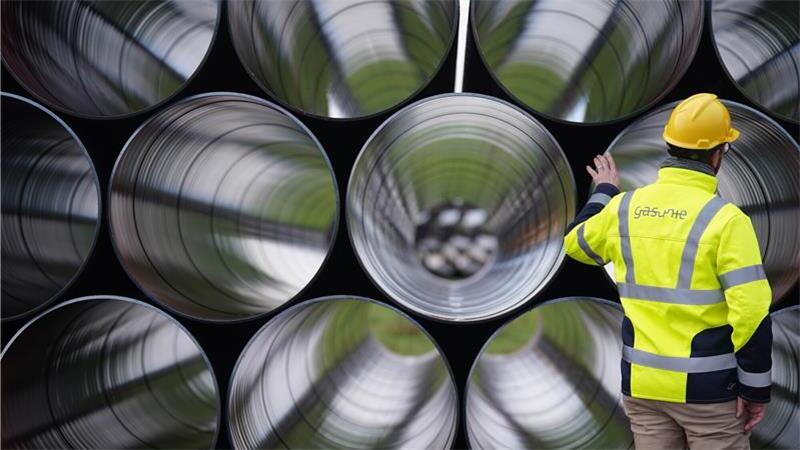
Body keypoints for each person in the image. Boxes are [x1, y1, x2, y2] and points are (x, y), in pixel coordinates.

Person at [564, 93, 772, 449]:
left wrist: (604, 193)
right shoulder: (726, 221)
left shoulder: (624, 208)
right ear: (718, 153)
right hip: (708, 392)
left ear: (669, 146)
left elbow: (575, 244)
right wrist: (755, 389)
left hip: (643, 386)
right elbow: (750, 313)